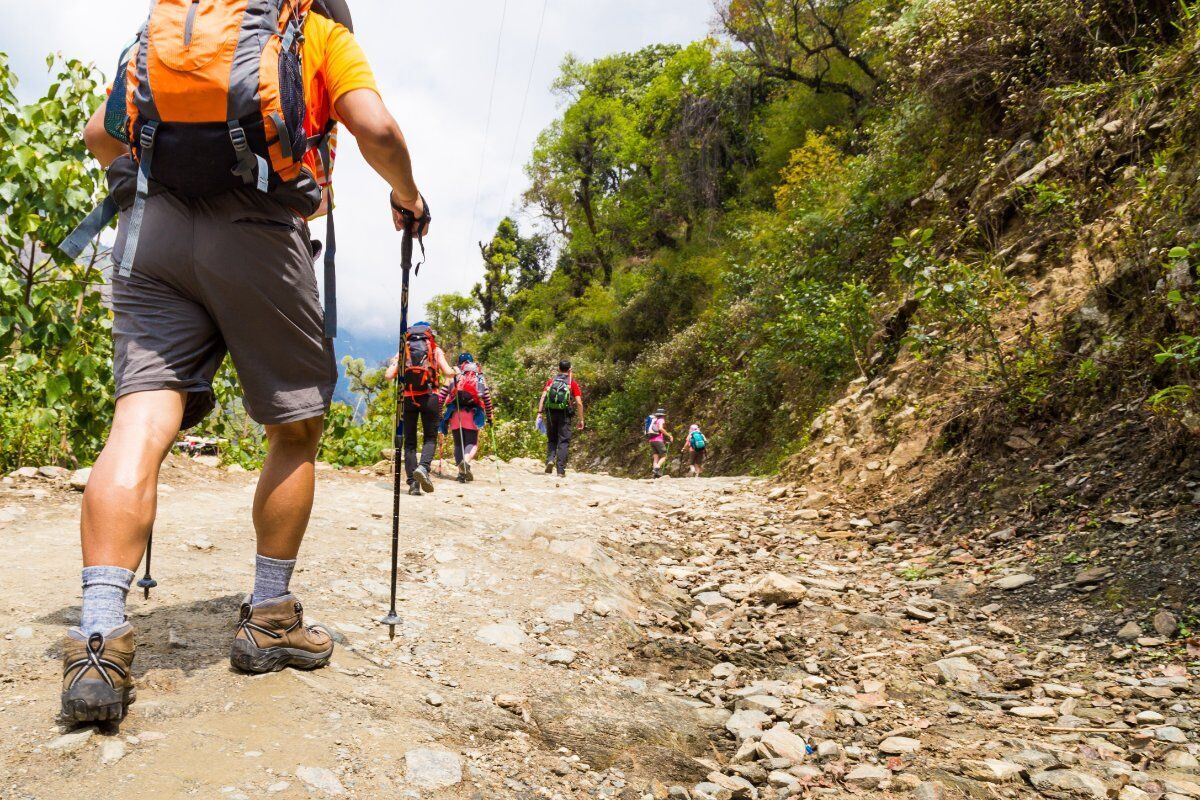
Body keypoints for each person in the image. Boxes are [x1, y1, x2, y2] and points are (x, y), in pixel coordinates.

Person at [62, 2, 429, 723]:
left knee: (139, 421)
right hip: (260, 231)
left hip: (150, 234)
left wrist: (157, 193)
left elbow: (101, 135)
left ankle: (98, 639)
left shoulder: (169, 30)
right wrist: (407, 195)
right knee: (294, 427)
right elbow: (376, 128)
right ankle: (268, 619)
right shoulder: (316, 33)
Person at [385, 323, 456, 496]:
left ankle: (413, 484)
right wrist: (455, 370)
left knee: (409, 443)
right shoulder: (434, 348)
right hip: (430, 397)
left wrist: (394, 362)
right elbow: (448, 372)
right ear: (430, 335)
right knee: (429, 438)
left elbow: (388, 375)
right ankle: (423, 468)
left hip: (407, 399)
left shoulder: (404, 349)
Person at [437, 353, 495, 483]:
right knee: (472, 443)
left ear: (459, 362)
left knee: (458, 444)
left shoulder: (453, 374)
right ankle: (466, 461)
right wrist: (490, 416)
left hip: (455, 413)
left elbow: (441, 397)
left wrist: (439, 414)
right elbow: (486, 397)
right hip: (473, 413)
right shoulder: (478, 375)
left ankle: (461, 473)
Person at [536, 360, 585, 478]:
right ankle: (560, 471)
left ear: (558, 369)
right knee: (563, 441)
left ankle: (550, 460)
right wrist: (581, 419)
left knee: (552, 439)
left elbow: (543, 397)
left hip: (550, 413)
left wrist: (539, 413)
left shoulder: (551, 381)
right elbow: (578, 403)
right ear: (569, 370)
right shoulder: (572, 383)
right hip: (564, 414)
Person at [647, 408, 673, 479]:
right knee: (664, 456)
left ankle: (655, 474)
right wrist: (669, 435)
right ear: (663, 415)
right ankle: (656, 469)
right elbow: (661, 429)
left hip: (651, 440)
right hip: (658, 440)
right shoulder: (661, 420)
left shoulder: (654, 420)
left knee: (656, 458)